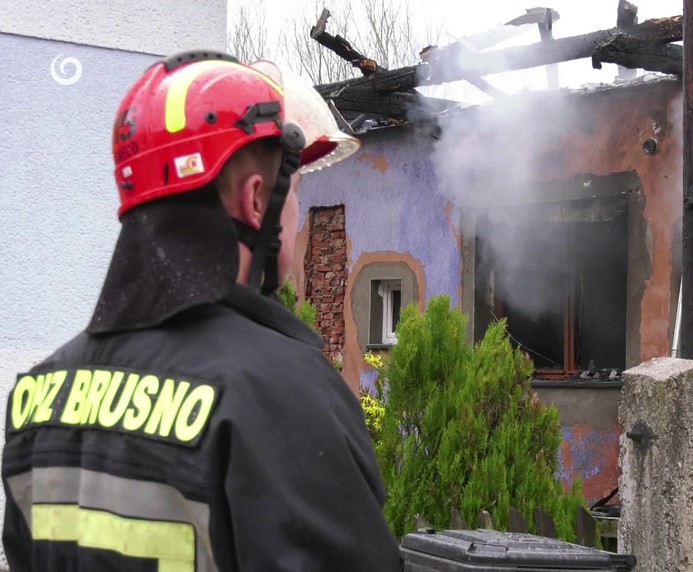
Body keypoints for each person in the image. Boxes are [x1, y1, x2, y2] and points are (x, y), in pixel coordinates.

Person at [2, 50, 402, 570]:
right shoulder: (282, 395)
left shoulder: (38, 394)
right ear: (256, 200)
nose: (299, 215)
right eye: (297, 190)